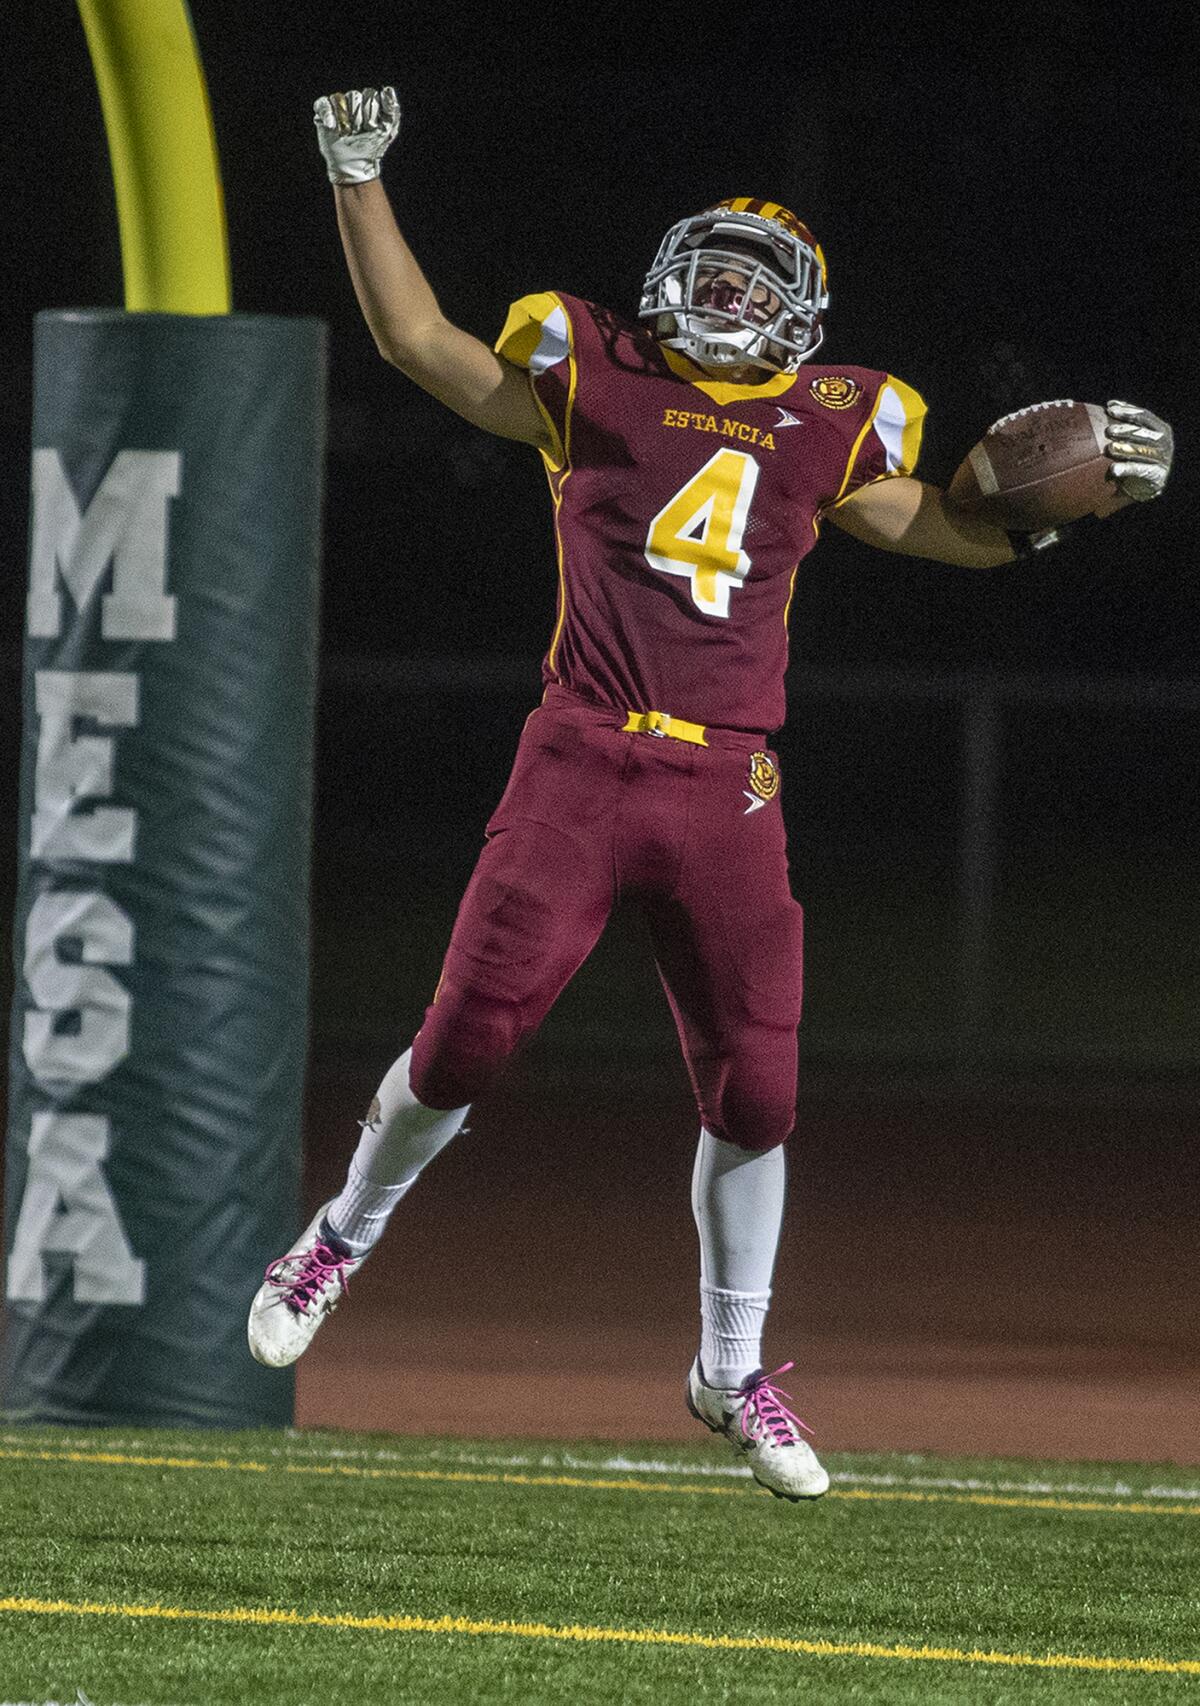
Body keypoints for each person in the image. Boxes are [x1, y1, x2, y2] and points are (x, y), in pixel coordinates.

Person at [247, 86, 1173, 1500]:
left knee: (760, 1088)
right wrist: (356, 175)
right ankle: (339, 1238)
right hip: (583, 748)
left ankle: (729, 1373)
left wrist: (1071, 502)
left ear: (802, 311)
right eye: (714, 269)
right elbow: (417, 341)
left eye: (757, 280)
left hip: (730, 780)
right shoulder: (593, 371)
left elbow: (952, 529)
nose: (728, 295)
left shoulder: (831, 419)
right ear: (669, 275)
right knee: (467, 1041)